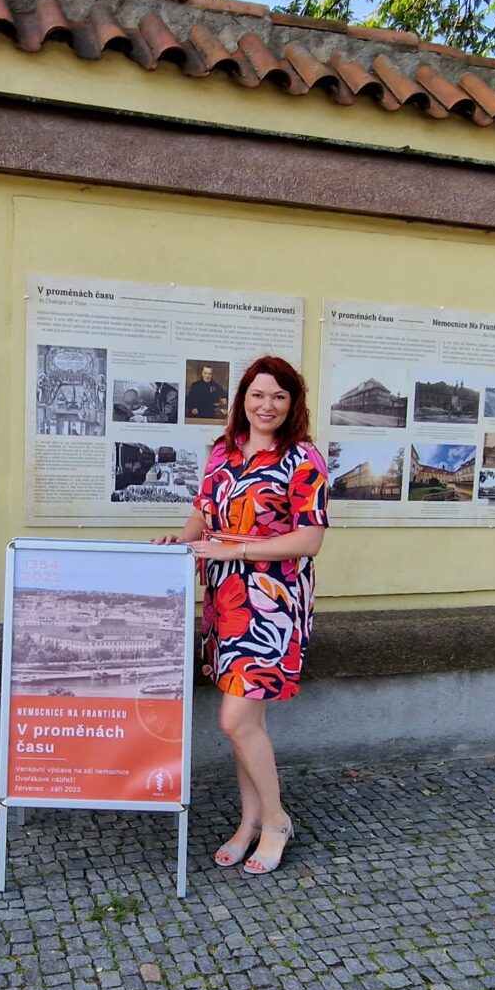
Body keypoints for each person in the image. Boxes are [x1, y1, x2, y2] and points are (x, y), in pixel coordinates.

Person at [153, 356, 328, 876]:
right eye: (257, 395)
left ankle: (275, 820)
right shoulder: (223, 452)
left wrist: (238, 550)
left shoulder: (303, 459)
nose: (266, 405)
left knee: (235, 720)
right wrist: (182, 541)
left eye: (278, 396)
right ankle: (250, 821)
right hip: (226, 599)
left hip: (274, 603)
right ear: (243, 400)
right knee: (246, 723)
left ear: (293, 403)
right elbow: (203, 513)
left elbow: (309, 539)